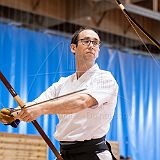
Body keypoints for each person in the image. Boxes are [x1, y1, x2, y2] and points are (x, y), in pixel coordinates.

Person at [0, 27, 118, 160]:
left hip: (93, 154)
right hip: (64, 154)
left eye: (95, 42)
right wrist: (12, 114)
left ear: (98, 50)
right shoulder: (62, 83)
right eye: (86, 41)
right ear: (73, 48)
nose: (91, 45)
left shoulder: (105, 78)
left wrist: (40, 109)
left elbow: (81, 102)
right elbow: (35, 104)